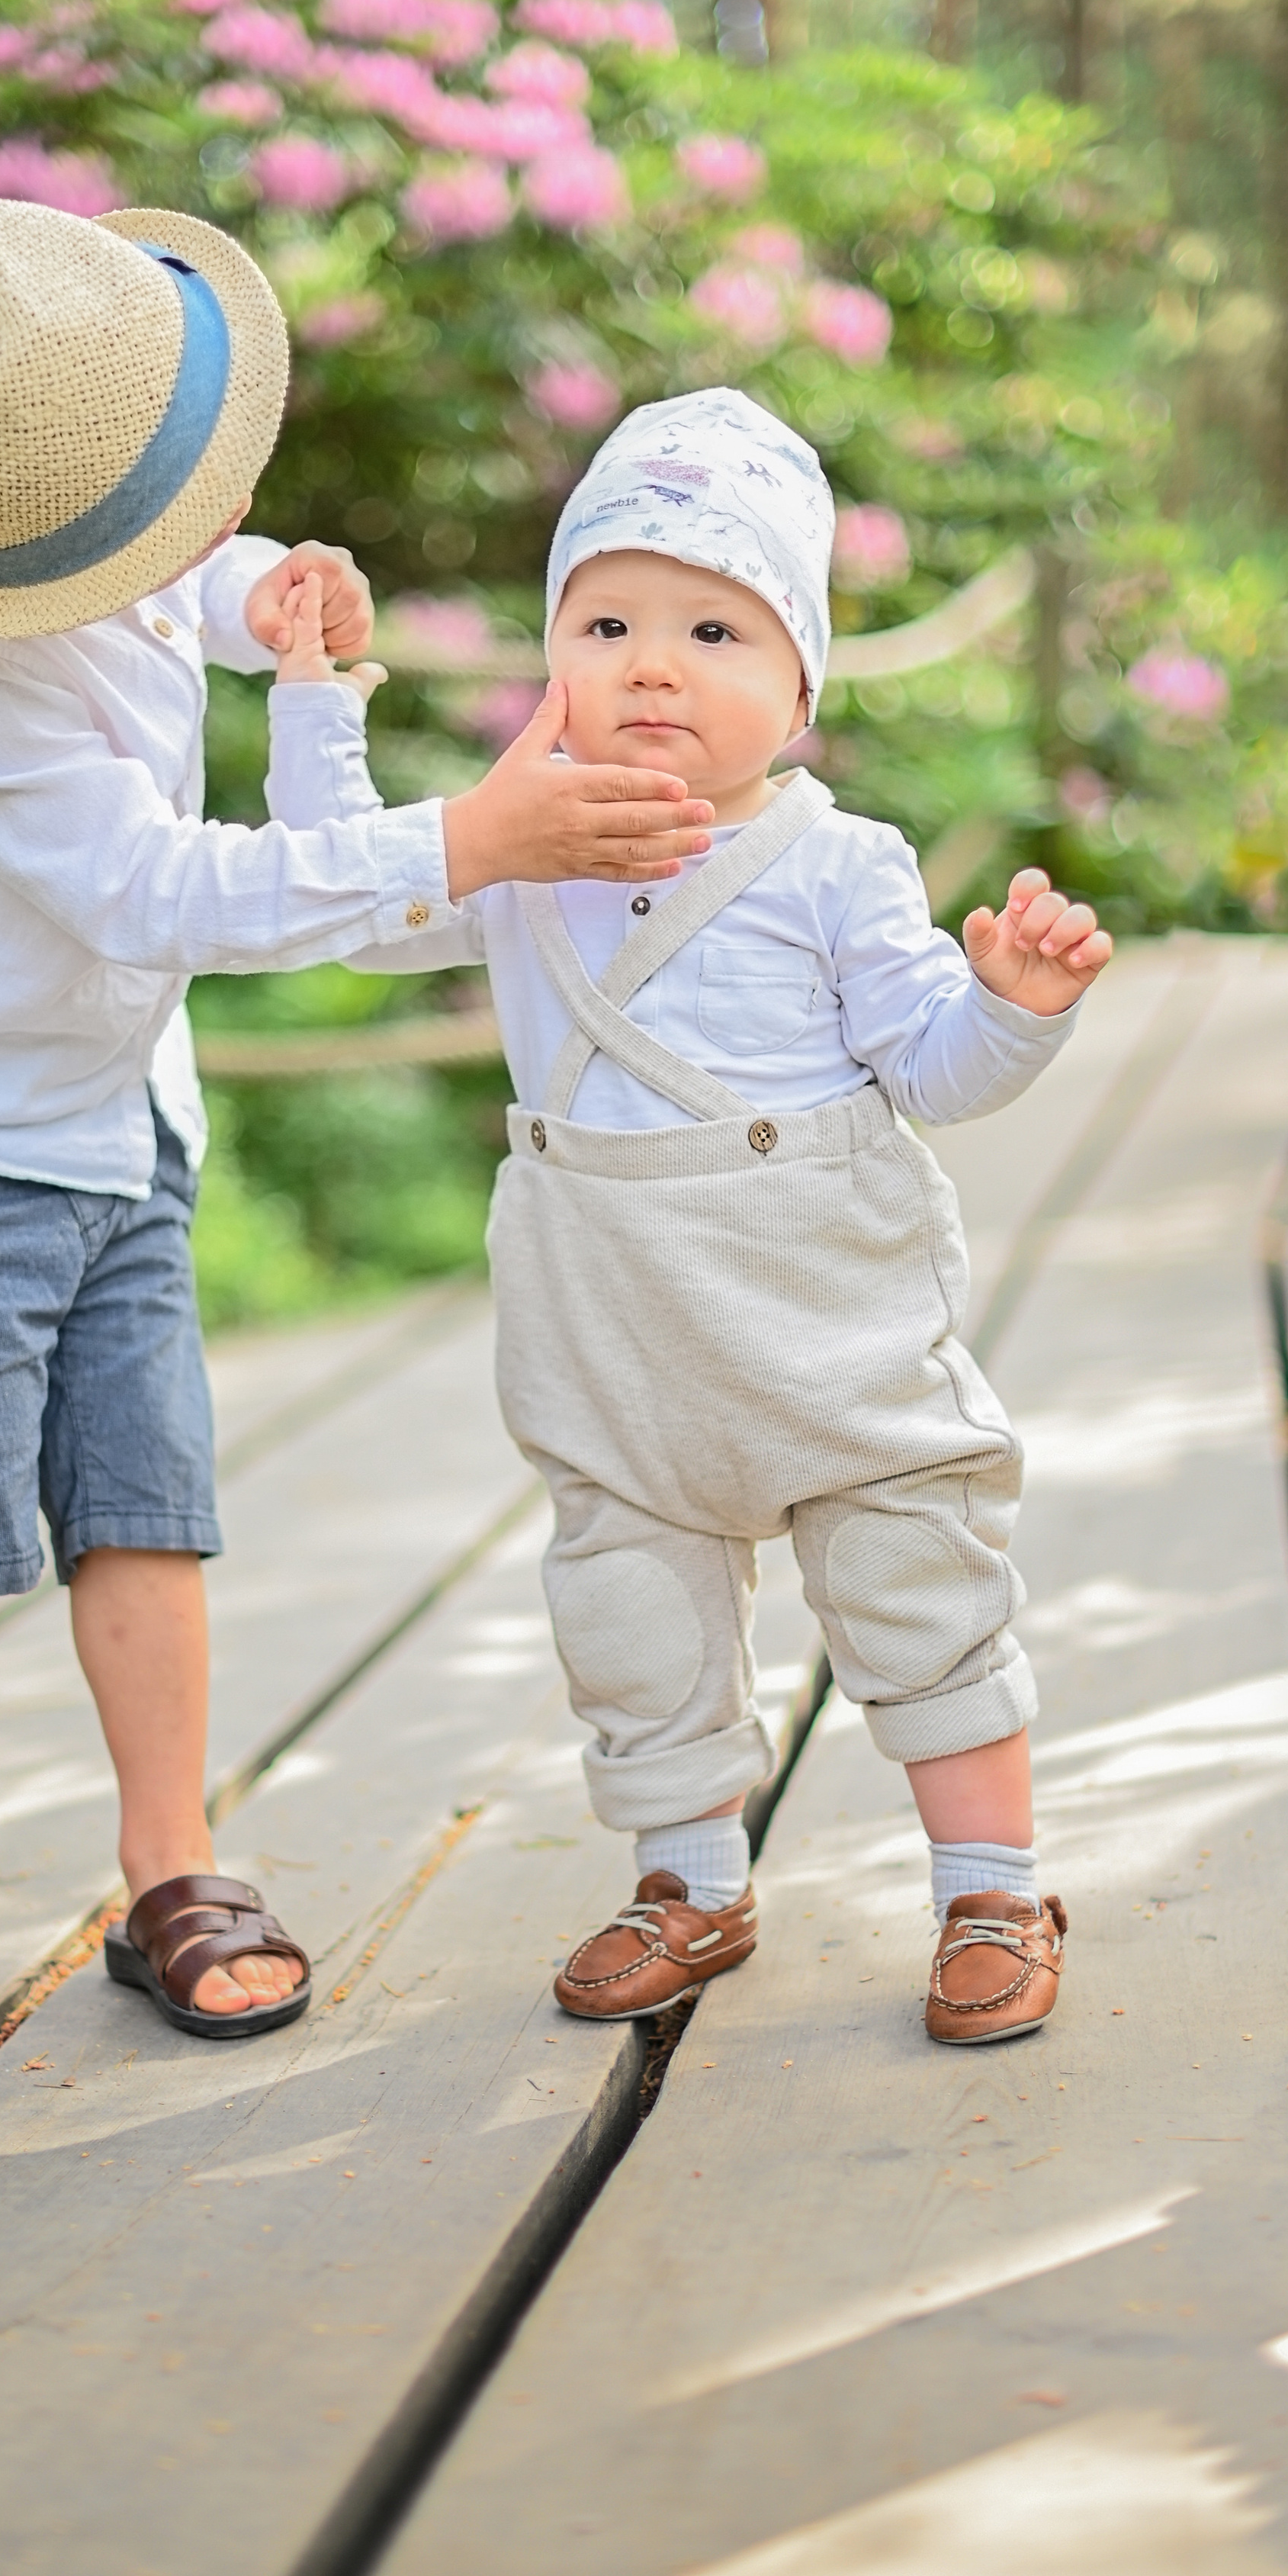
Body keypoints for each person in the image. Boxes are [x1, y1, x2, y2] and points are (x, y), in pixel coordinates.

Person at [0, 198, 716, 2079]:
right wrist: (468, 840)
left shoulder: (53, 524)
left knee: (147, 1504)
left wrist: (270, 592)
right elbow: (153, 893)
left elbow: (165, 569)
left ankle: (168, 1861)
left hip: (115, 1120)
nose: (201, 523)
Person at [275, 387, 1112, 2045]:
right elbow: (351, 911)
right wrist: (314, 698)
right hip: (611, 1343)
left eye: (713, 627)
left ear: (797, 689)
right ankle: (688, 1880)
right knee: (628, 1608)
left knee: (914, 1582)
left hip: (824, 1334)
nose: (651, 661)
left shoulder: (835, 865)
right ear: (551, 665)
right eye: (605, 621)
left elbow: (933, 1078)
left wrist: (1008, 1005)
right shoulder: (521, 848)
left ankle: (989, 1882)